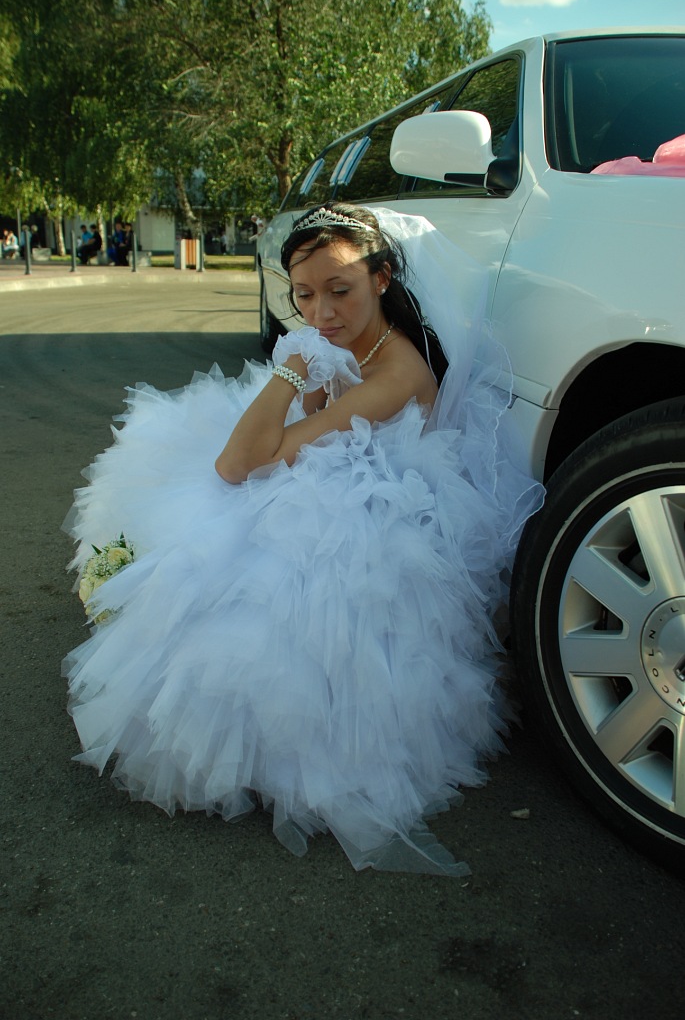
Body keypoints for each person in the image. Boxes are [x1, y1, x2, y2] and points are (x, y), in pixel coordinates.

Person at [62, 203, 543, 876]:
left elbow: (239, 463)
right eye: (304, 295)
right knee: (206, 530)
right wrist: (302, 376)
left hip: (385, 515)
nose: (321, 313)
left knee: (258, 565)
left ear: (381, 279)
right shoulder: (346, 342)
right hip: (334, 472)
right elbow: (280, 438)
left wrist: (287, 370)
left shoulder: (395, 373)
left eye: (339, 290)